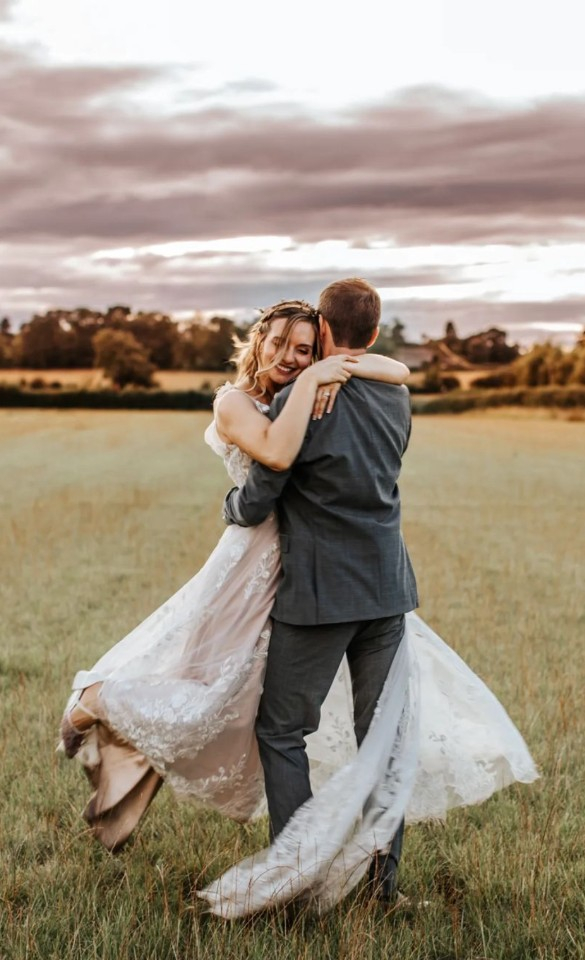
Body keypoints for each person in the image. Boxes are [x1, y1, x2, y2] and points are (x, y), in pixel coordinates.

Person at [59, 298, 411, 851]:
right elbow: (268, 469)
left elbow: (396, 369)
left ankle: (123, 793)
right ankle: (98, 700)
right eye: (278, 345)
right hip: (251, 563)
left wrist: (325, 373)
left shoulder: (312, 390)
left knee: (243, 705)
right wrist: (315, 378)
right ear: (257, 340)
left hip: (295, 567)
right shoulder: (237, 401)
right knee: (209, 694)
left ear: (320, 343)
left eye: (304, 349)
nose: (290, 358)